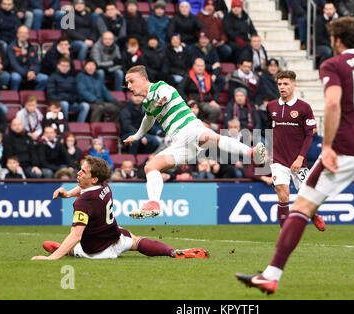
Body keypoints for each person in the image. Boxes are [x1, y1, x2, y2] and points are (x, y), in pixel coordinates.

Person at [236, 16, 354, 297]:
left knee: (301, 208)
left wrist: (327, 147)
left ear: (338, 41)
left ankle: (271, 276)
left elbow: (334, 101)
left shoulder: (334, 64)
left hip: (344, 150)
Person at [123, 65, 266, 219]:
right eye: (127, 83)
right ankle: (154, 204)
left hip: (189, 128)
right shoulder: (147, 103)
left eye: (131, 81)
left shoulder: (160, 87)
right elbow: (148, 120)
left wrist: (163, 99)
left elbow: (166, 94)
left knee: (212, 139)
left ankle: (251, 153)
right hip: (179, 143)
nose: (129, 86)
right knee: (151, 167)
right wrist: (136, 136)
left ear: (144, 79)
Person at [31, 155, 210, 260]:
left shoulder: (83, 203)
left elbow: (76, 235)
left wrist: (51, 259)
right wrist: (69, 193)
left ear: (93, 179)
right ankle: (172, 252)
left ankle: (63, 250)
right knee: (136, 241)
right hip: (115, 236)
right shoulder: (104, 185)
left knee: (73, 247)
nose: (78, 173)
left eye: (83, 171)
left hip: (98, 251)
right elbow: (84, 188)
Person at [265, 70, 325, 230]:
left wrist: (300, 158)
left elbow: (309, 135)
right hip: (278, 159)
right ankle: (285, 232)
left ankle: (313, 215)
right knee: (282, 192)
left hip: (298, 160)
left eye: (285, 84)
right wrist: (266, 147)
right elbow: (267, 129)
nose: (282, 87)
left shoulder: (304, 107)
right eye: (279, 84)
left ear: (294, 85)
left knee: (307, 197)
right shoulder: (271, 106)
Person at [178, 57, 222, 125]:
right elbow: (179, 88)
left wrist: (214, 100)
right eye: (198, 66)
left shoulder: (207, 77)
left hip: (205, 102)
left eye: (202, 66)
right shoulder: (188, 76)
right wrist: (187, 100)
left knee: (217, 109)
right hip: (193, 102)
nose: (200, 68)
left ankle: (206, 125)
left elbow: (215, 91)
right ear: (194, 66)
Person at [46, 57, 90, 123]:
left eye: (67, 66)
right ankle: (65, 125)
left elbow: (77, 93)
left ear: (69, 67)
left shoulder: (72, 78)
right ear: (58, 66)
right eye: (63, 65)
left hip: (71, 102)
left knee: (85, 106)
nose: (65, 68)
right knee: (64, 104)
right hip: (58, 103)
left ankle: (80, 125)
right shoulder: (52, 77)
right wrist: (64, 98)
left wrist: (74, 98)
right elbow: (50, 94)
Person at [7, 25, 48, 91]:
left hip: (30, 72)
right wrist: (26, 73)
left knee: (44, 78)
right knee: (15, 78)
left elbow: (37, 63)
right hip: (17, 72)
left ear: (28, 35)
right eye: (21, 33)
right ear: (17, 34)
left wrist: (33, 72)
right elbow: (14, 64)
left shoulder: (31, 47)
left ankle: (36, 97)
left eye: (25, 33)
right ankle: (14, 96)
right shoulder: (11, 47)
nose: (23, 35)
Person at [315, 1, 338, 68]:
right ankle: (322, 68)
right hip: (321, 45)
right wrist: (332, 44)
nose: (328, 11)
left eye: (330, 9)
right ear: (324, 10)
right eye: (326, 9)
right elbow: (319, 38)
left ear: (334, 9)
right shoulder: (319, 20)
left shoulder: (339, 19)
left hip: (336, 44)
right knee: (328, 51)